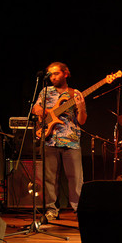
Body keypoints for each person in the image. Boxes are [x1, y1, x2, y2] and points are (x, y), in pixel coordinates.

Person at [32, 61, 86, 222]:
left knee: (75, 178)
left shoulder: (75, 94)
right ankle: (51, 210)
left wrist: (81, 107)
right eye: (50, 75)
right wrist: (50, 112)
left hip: (71, 140)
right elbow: (35, 109)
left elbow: (82, 121)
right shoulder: (45, 91)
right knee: (49, 178)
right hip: (49, 140)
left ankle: (79, 209)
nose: (53, 77)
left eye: (56, 73)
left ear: (65, 74)